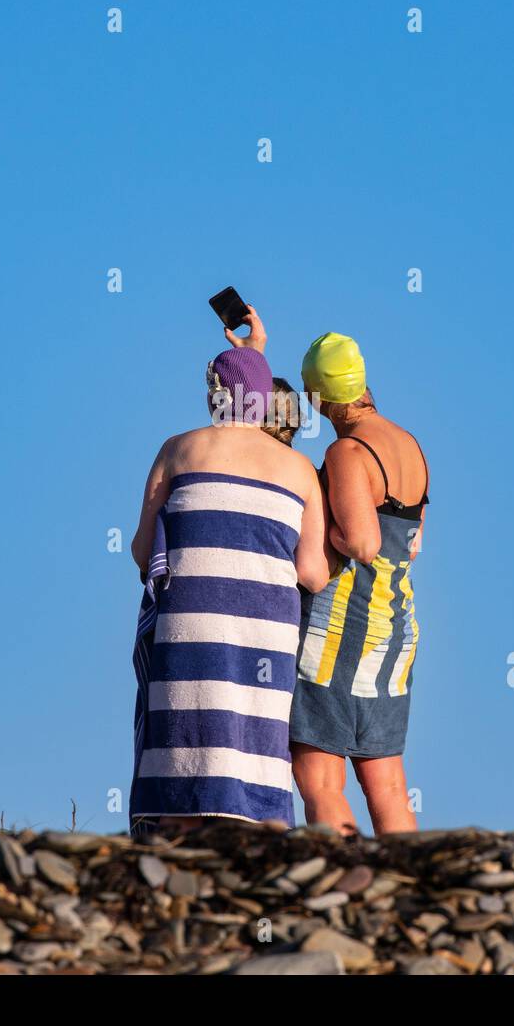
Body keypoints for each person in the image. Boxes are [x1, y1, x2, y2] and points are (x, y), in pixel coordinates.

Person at [225, 314, 430, 836]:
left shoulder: (347, 451)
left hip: (340, 631)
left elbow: (362, 541)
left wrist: (331, 533)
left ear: (318, 398)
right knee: (386, 783)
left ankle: (348, 888)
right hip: (393, 630)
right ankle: (408, 885)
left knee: (319, 778)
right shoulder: (410, 446)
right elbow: (412, 544)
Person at [128, 345, 329, 834]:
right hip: (265, 628)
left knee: (189, 733)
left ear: (216, 394)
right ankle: (260, 840)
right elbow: (313, 573)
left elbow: (141, 551)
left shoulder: (179, 449)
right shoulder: (298, 470)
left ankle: (179, 843)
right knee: (256, 735)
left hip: (191, 620)